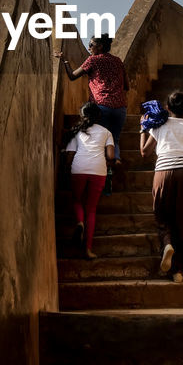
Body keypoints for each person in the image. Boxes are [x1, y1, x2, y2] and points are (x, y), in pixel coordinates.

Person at [139, 91, 183, 282]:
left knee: (162, 216)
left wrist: (143, 128)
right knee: (182, 221)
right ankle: (179, 271)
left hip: (163, 172)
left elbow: (144, 152)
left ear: (167, 108)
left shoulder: (158, 125)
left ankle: (167, 244)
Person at [55, 34, 129, 167]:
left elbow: (72, 76)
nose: (89, 48)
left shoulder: (93, 60)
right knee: (114, 138)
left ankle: (103, 166)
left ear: (99, 47)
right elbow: (127, 86)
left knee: (99, 139)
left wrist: (64, 61)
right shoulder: (118, 61)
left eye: (91, 45)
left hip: (101, 106)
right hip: (120, 107)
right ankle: (116, 159)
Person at [62, 102, 114, 259]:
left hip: (78, 169)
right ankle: (88, 250)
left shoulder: (77, 132)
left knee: (77, 200)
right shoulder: (106, 132)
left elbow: (70, 155)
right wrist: (109, 162)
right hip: (98, 170)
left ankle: (79, 223)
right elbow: (111, 156)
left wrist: (65, 170)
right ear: (98, 116)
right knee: (91, 209)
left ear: (82, 115)